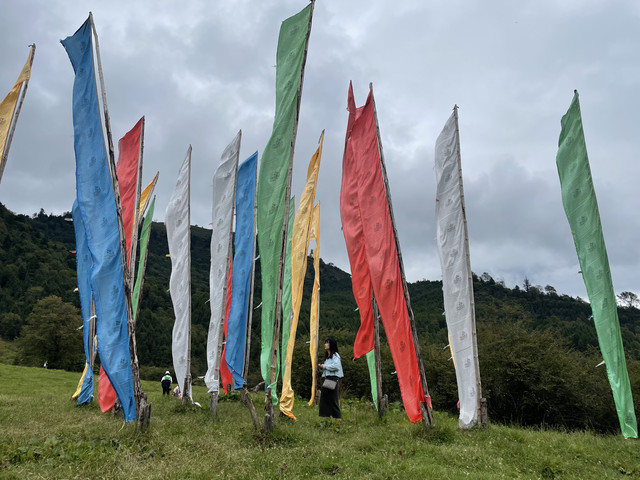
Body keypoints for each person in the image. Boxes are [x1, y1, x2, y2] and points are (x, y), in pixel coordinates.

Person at [319, 337, 344, 418]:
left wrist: (324, 366)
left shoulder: (335, 355)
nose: (325, 344)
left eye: (327, 343)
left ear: (331, 345)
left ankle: (334, 416)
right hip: (328, 378)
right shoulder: (328, 357)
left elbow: (336, 366)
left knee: (330, 398)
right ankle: (328, 416)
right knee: (327, 397)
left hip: (332, 378)